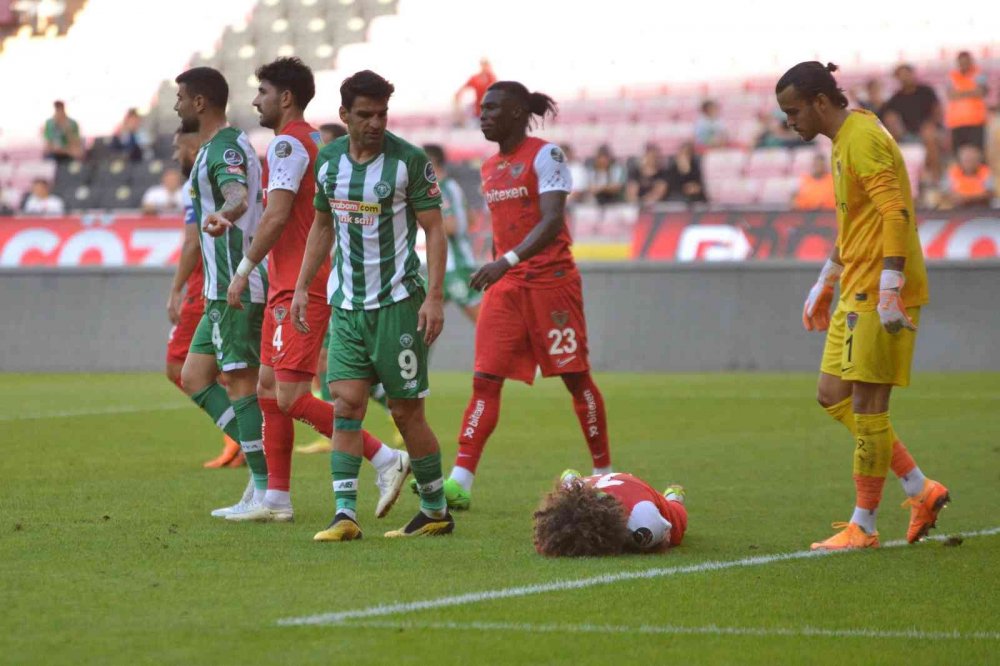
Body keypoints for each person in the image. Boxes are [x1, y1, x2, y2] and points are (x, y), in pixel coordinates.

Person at [219, 57, 407, 523]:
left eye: (262, 91)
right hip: (292, 283)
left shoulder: (288, 145)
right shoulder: (305, 143)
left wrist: (243, 270)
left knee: (289, 396)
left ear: (285, 97)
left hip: (302, 287)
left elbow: (278, 216)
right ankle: (276, 499)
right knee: (267, 389)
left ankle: (385, 458)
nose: (255, 100)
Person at [776, 61, 949, 551]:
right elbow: (859, 220)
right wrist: (825, 279)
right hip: (857, 281)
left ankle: (864, 525)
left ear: (821, 103)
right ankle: (919, 488)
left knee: (870, 407)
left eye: (793, 112)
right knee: (833, 394)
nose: (790, 122)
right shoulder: (843, 140)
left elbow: (894, 212)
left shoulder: (863, 138)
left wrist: (891, 285)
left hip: (879, 286)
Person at [291, 69, 453, 541]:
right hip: (346, 305)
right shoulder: (329, 162)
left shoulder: (409, 161)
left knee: (406, 412)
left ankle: (436, 509)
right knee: (345, 403)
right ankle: (345, 514)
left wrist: (436, 297)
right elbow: (322, 227)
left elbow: (435, 229)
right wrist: (304, 286)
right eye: (365, 115)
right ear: (344, 115)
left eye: (382, 114)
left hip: (399, 302)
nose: (375, 123)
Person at [439, 80, 613, 511]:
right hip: (509, 286)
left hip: (551, 283)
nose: (484, 115)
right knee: (484, 379)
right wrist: (500, 265)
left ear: (517, 112)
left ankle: (603, 473)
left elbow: (553, 220)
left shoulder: (546, 155)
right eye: (482, 108)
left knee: (576, 379)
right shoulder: (489, 168)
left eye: (493, 108)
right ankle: (460, 480)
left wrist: (506, 260)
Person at [173, 66, 270, 518]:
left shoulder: (225, 147)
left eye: (180, 98)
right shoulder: (218, 146)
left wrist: (226, 214)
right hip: (218, 289)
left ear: (199, 102)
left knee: (241, 385)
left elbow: (238, 196)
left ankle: (266, 490)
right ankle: (260, 471)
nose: (175, 105)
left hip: (238, 283)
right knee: (193, 377)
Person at [165, 128, 244, 469]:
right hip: (224, 274)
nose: (174, 155)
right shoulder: (228, 163)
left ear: (192, 143)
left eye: (177, 146)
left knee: (180, 366)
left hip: (206, 279)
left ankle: (243, 438)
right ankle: (246, 437)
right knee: (216, 368)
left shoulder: (197, 179)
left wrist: (177, 287)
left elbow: (192, 241)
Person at [533, 470, 687, 557]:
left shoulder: (642, 522)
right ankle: (572, 480)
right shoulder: (569, 505)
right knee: (570, 498)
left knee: (676, 518)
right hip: (593, 485)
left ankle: (673, 496)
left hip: (636, 489)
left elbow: (665, 539)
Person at [423, 144, 481, 323]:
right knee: (419, 322)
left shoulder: (438, 189)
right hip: (445, 267)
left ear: (430, 163)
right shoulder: (452, 185)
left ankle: (513, 350)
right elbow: (471, 219)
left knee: (486, 326)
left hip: (455, 267)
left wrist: (420, 218)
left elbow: (451, 226)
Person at [880, 64, 945, 183]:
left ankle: (936, 177)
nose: (904, 78)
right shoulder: (895, 98)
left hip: (928, 130)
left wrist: (933, 124)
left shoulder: (926, 91)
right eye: (901, 75)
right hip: (906, 134)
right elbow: (885, 115)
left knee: (929, 136)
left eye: (906, 74)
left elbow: (937, 111)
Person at [945, 51, 989, 154]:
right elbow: (951, 95)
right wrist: (971, 91)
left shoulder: (979, 74)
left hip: (976, 121)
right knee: (958, 154)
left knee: (977, 153)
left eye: (966, 61)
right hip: (956, 122)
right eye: (962, 62)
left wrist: (959, 92)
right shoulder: (952, 76)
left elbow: (981, 92)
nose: (964, 64)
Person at [940, 144, 994, 209]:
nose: (969, 163)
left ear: (978, 161)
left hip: (981, 209)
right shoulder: (952, 172)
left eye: (972, 160)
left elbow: (990, 194)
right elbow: (944, 192)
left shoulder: (985, 172)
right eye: (966, 160)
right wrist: (953, 197)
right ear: (960, 160)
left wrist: (968, 199)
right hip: (957, 209)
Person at [454, 58, 496, 125]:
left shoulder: (492, 78)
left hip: (489, 112)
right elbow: (463, 88)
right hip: (477, 111)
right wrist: (458, 95)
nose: (485, 67)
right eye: (483, 65)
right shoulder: (475, 78)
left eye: (486, 65)